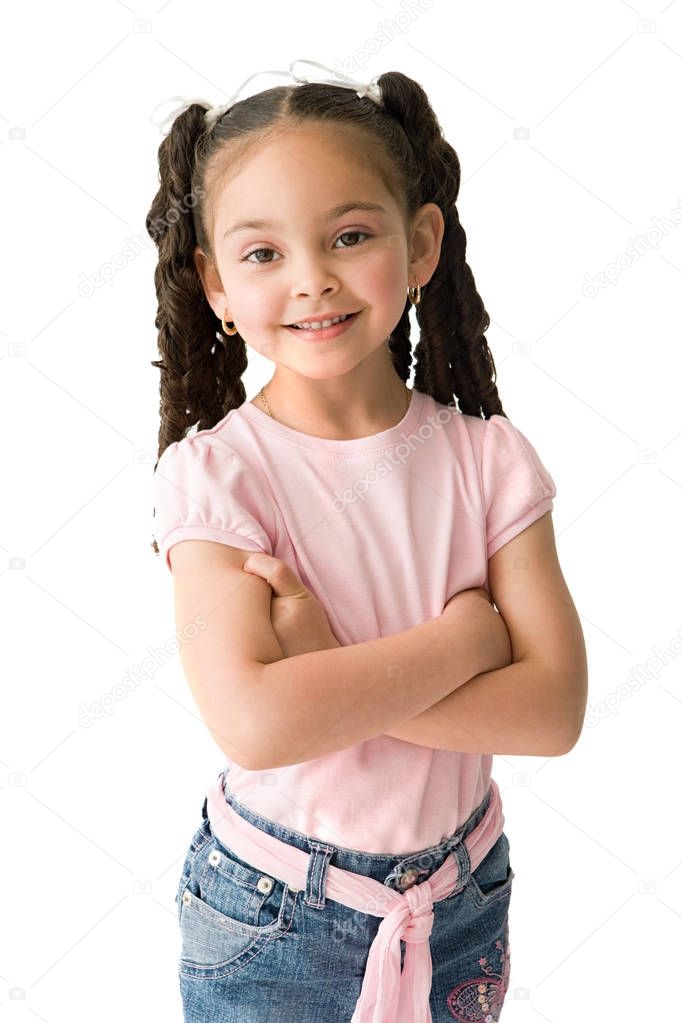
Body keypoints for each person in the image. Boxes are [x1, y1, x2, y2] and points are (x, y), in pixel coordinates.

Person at [147, 60, 588, 1023]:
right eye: (263, 254)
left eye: (350, 235)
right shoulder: (218, 476)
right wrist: (465, 644)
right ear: (217, 284)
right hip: (275, 918)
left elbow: (553, 710)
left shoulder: (488, 459)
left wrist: (333, 676)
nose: (313, 280)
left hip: (460, 901)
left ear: (421, 241)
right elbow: (257, 721)